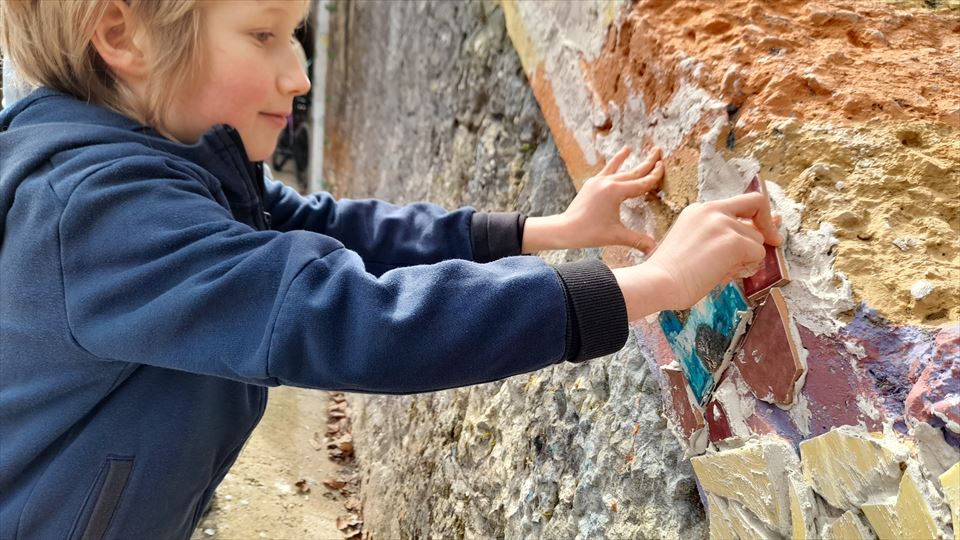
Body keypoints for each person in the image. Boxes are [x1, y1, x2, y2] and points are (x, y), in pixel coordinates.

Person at [0, 1, 781, 538]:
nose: (299, 74)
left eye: (294, 34)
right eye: (264, 34)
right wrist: (653, 285)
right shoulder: (96, 213)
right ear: (123, 35)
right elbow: (354, 320)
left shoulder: (167, 158)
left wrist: (546, 232)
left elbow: (327, 227)